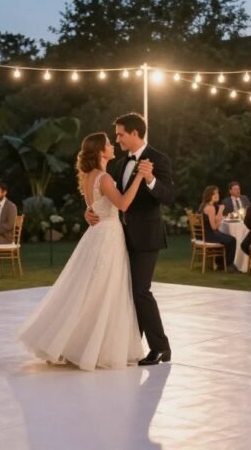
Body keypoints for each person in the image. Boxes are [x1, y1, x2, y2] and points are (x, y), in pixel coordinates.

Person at [17, 132, 146, 370]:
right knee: (102, 290)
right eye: (108, 143)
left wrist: (87, 213)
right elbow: (124, 204)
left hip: (96, 234)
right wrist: (139, 178)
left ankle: (72, 343)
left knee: (88, 289)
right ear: (100, 151)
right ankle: (91, 348)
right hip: (107, 235)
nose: (112, 146)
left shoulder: (88, 176)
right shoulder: (104, 177)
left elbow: (92, 207)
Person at [82, 113, 175, 366]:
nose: (117, 139)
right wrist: (90, 210)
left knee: (140, 291)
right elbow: (113, 199)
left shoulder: (158, 159)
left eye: (121, 134)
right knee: (126, 292)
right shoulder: (121, 164)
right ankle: (128, 346)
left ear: (135, 133)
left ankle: (160, 348)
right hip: (119, 237)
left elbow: (168, 197)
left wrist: (150, 179)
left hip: (146, 237)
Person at [198, 185, 238, 272]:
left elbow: (212, 222)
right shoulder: (210, 208)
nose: (217, 195)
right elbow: (214, 227)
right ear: (209, 195)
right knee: (232, 240)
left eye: (217, 193)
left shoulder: (204, 205)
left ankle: (220, 263)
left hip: (206, 234)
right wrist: (220, 211)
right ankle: (226, 265)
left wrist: (219, 217)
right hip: (210, 235)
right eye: (214, 194)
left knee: (227, 239)